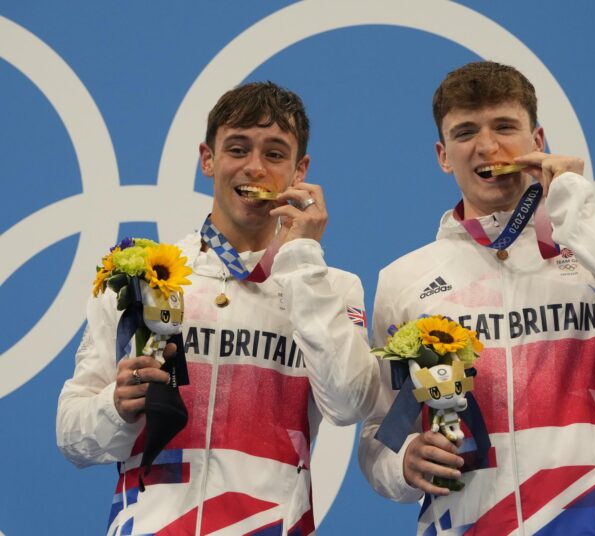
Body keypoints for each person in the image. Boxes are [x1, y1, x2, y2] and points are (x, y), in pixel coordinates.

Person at [358, 62, 595, 535]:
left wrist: (577, 218)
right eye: (465, 132)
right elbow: (381, 434)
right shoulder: (406, 281)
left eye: (504, 127)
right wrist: (401, 465)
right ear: (442, 154)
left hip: (593, 520)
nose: (487, 146)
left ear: (538, 140)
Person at [57, 81, 379, 535]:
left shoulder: (329, 286)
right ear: (208, 159)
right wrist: (115, 407)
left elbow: (349, 404)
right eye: (238, 148)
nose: (254, 167)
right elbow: (71, 434)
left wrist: (303, 259)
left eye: (274, 153)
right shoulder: (141, 277)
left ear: (299, 170)